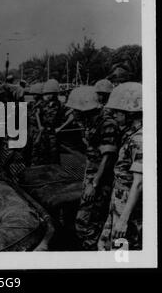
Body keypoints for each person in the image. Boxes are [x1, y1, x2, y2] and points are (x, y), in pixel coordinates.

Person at [65, 86, 119, 250]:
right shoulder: (93, 121)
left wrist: (93, 184)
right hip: (92, 177)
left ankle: (89, 253)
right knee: (91, 221)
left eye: (76, 109)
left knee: (86, 223)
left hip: (99, 181)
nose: (74, 112)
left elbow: (107, 158)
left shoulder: (107, 124)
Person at [98, 82, 142, 251]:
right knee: (104, 247)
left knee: (120, 256)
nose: (114, 114)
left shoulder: (139, 139)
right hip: (118, 201)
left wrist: (123, 220)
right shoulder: (129, 134)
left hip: (127, 208)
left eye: (118, 111)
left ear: (130, 113)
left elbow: (139, 183)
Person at [38, 78, 65, 164]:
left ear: (55, 93)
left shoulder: (60, 105)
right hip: (44, 133)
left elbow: (71, 116)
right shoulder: (44, 104)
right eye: (46, 93)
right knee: (43, 155)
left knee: (54, 156)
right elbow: (38, 114)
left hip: (54, 133)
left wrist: (60, 128)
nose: (48, 95)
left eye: (50, 93)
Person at [24, 82, 44, 166]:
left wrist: (39, 136)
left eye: (35, 94)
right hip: (31, 130)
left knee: (35, 151)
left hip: (37, 131)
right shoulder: (33, 104)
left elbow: (41, 124)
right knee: (28, 150)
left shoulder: (42, 105)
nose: (33, 96)